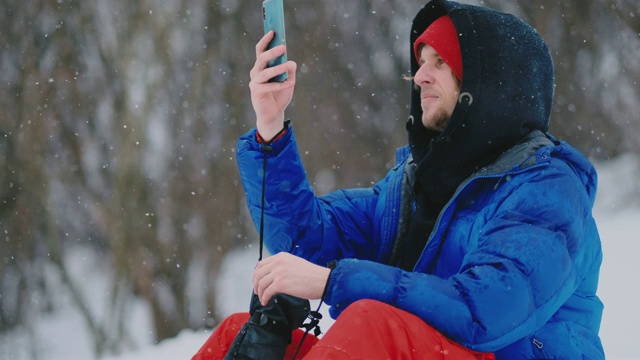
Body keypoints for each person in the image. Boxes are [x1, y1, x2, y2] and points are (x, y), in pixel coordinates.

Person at [193, 0, 605, 358]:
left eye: (440, 62)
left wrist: (336, 281)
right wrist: (271, 126)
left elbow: (490, 309)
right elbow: (305, 242)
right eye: (421, 63)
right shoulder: (412, 188)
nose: (420, 76)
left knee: (373, 323)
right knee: (238, 338)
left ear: (491, 83)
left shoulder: (546, 189)